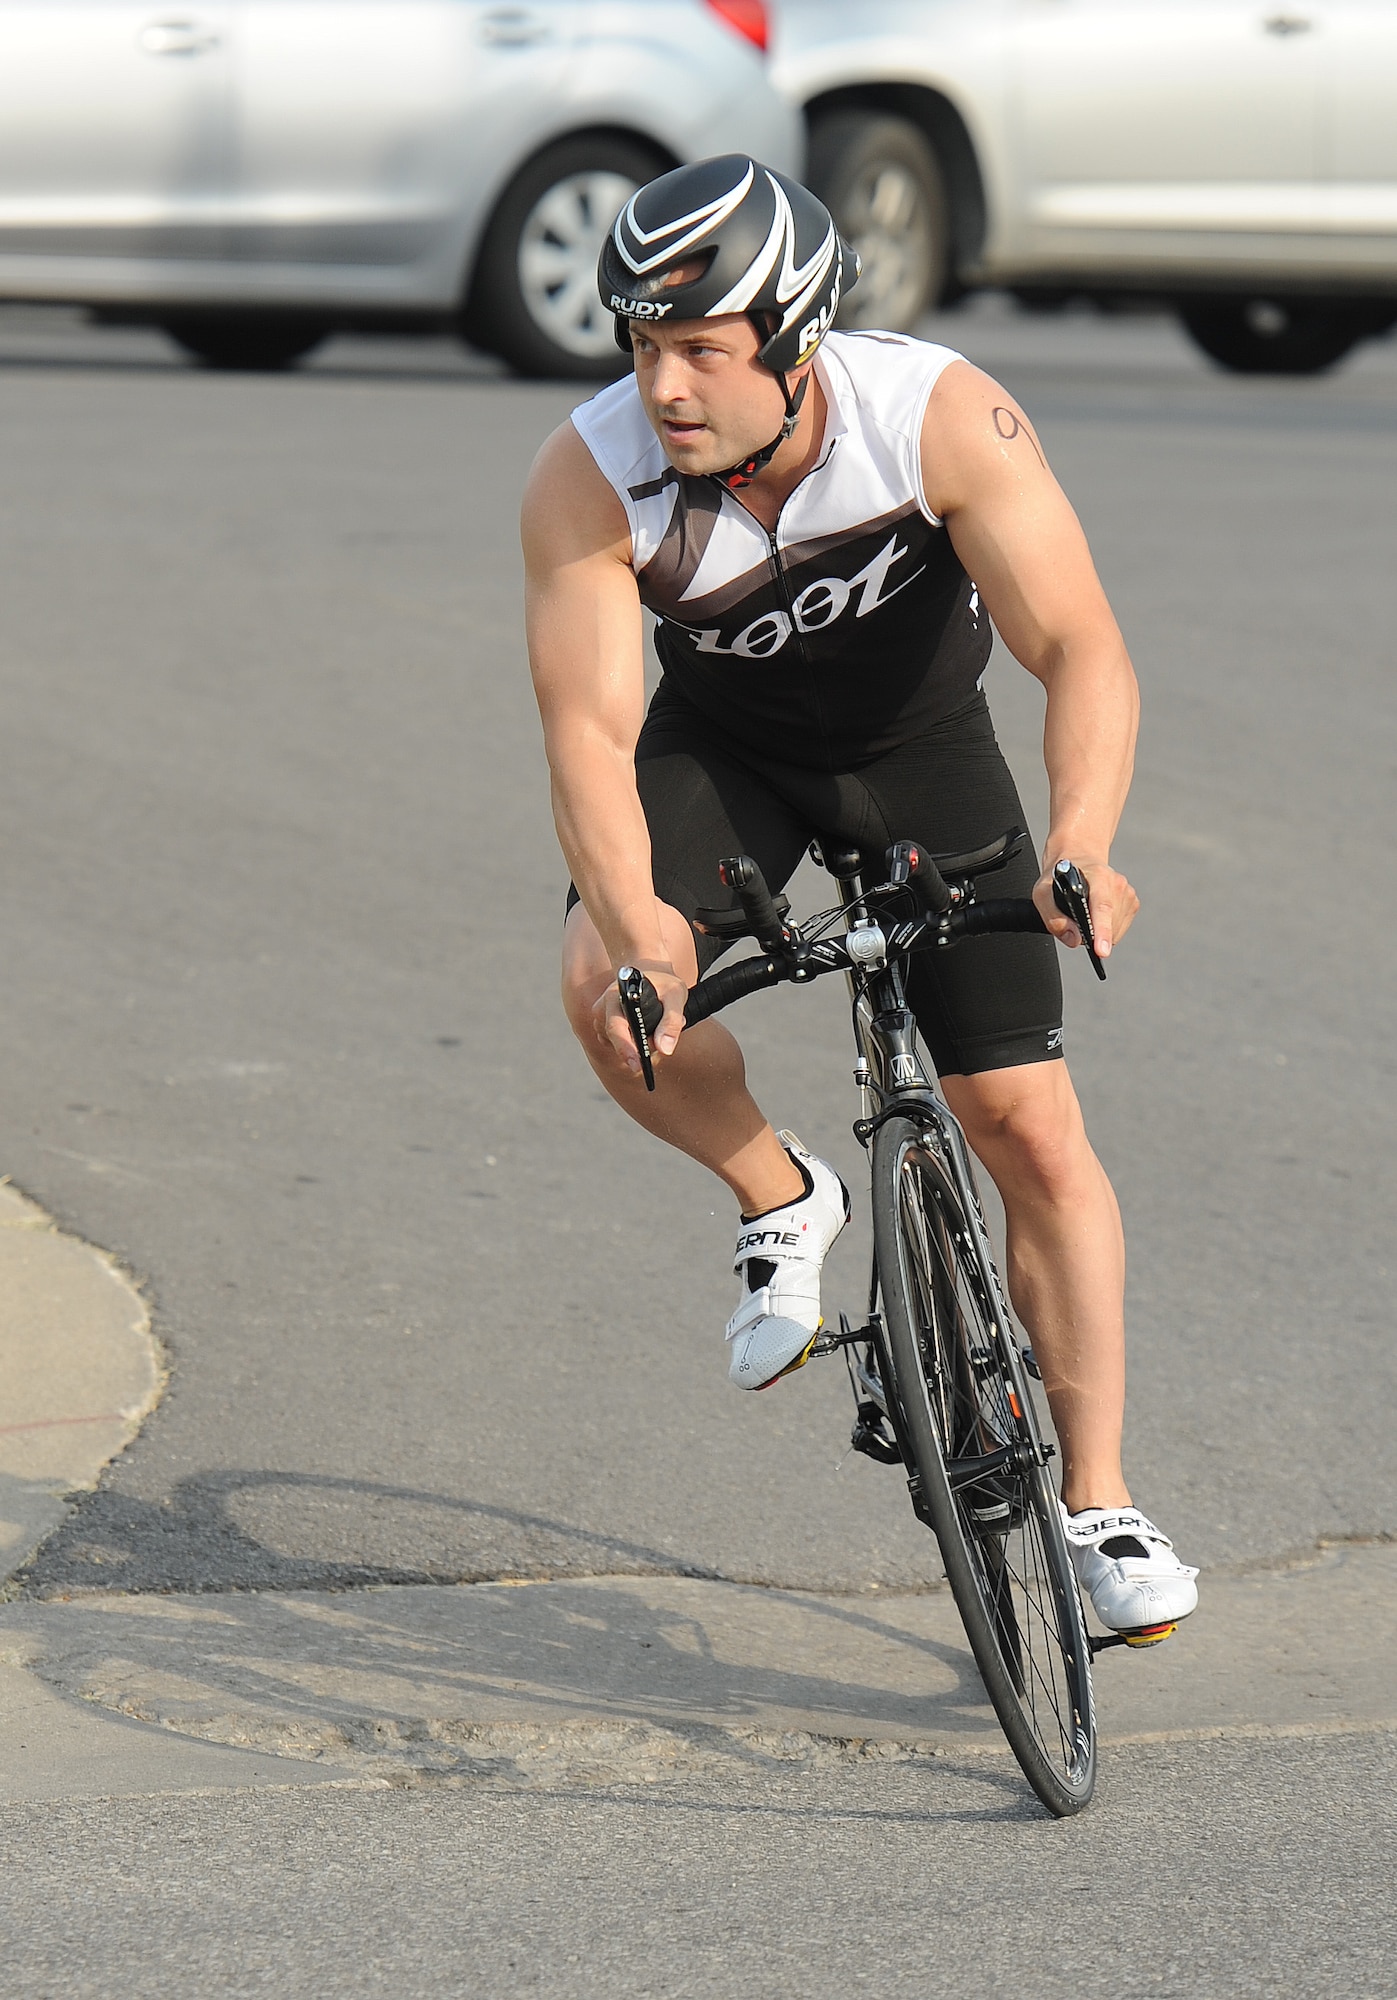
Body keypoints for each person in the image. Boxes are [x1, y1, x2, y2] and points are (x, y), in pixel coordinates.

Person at [521, 155, 1197, 1636]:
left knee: (1025, 1124)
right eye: (642, 348)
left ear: (795, 339)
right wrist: (639, 931)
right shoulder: (590, 473)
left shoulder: (932, 415)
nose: (664, 387)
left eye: (703, 350)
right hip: (727, 757)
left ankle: (1098, 1502)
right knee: (604, 995)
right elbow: (586, 732)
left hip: (920, 753)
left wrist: (1082, 844)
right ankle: (784, 1194)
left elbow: (1078, 645)